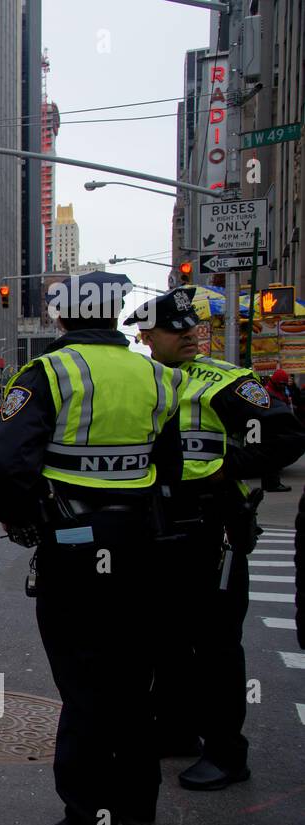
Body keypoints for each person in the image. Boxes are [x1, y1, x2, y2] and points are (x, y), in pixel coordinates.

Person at [0, 272, 184, 825]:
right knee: (131, 681)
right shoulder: (158, 377)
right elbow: (169, 470)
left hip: (75, 547)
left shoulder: (49, 373)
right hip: (143, 547)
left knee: (84, 693)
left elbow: (8, 465)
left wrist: (24, 525)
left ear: (63, 319)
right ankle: (137, 804)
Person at [127, 289, 305, 789]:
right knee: (167, 642)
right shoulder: (145, 381)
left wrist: (229, 469)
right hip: (160, 531)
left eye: (192, 327)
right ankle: (178, 731)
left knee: (216, 646)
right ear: (146, 338)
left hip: (213, 532)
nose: (188, 334)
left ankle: (228, 752)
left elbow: (287, 437)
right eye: (173, 328)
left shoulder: (226, 383)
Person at [260, 370, 293, 491]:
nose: (283, 386)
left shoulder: (277, 391)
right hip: (271, 429)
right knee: (273, 456)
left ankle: (271, 483)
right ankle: (272, 483)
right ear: (274, 382)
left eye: (284, 384)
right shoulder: (269, 392)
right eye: (281, 384)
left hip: (275, 428)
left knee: (273, 457)